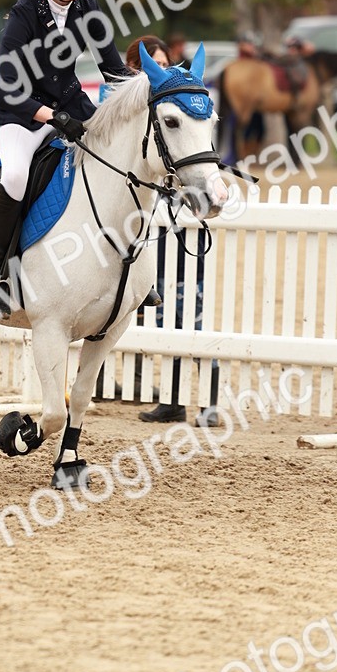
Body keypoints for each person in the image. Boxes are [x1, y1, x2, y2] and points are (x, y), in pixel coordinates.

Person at [0, 0, 134, 316]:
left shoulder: (89, 9)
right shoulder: (23, 15)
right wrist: (49, 116)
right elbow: (7, 84)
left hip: (70, 104)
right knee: (14, 176)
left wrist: (147, 88)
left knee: (121, 161)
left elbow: (113, 71)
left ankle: (129, 273)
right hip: (23, 112)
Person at [123, 35, 219, 426]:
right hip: (146, 227)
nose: (162, 73)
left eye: (165, 63)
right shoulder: (130, 113)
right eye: (151, 66)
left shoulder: (175, 109)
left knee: (190, 310)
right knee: (164, 319)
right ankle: (174, 399)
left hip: (177, 225)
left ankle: (210, 399)